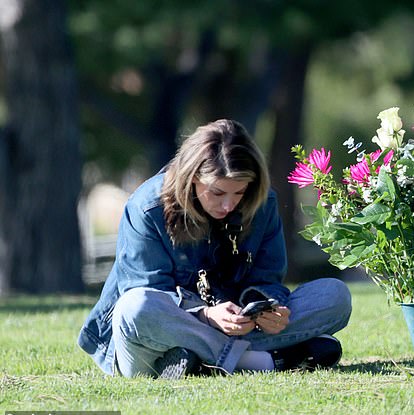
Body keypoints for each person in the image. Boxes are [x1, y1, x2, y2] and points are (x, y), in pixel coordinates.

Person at [78, 119, 352, 379]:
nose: (228, 205)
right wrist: (206, 316)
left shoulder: (262, 203)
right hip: (155, 340)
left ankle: (200, 361)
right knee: (134, 308)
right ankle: (265, 361)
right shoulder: (146, 208)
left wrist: (269, 310)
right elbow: (147, 291)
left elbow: (267, 277)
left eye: (239, 192)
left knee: (334, 295)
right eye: (218, 193)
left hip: (233, 328)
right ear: (192, 178)